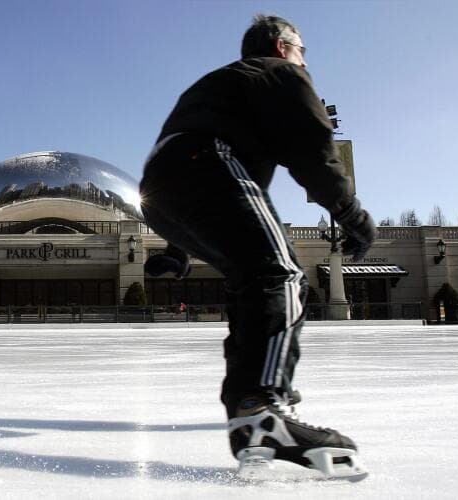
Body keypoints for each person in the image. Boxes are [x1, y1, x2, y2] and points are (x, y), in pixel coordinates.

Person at [139, 15, 376, 481]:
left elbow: (179, 167)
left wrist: (178, 247)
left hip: (160, 189)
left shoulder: (218, 84)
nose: (307, 60)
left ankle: (251, 405)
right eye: (304, 50)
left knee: (253, 279)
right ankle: (262, 404)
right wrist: (353, 215)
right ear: (283, 46)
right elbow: (314, 153)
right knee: (281, 275)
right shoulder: (281, 73)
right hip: (210, 165)